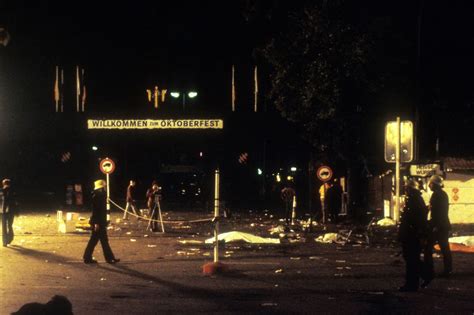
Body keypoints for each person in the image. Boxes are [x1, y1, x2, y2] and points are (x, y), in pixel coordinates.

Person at [398, 179, 428, 292]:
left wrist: (419, 234)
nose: (405, 190)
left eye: (407, 188)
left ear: (411, 189)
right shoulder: (414, 199)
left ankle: (416, 281)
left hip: (412, 235)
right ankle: (420, 277)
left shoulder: (415, 200)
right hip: (411, 234)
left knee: (411, 259)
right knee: (411, 259)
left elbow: (416, 219)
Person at [423, 174, 452, 283]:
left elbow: (438, 213)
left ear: (434, 184)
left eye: (430, 183)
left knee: (429, 247)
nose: (429, 185)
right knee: (445, 249)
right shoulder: (442, 194)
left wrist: (434, 225)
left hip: (438, 226)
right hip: (442, 225)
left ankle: (429, 271)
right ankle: (447, 270)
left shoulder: (437, 195)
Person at [83, 179, 120, 264]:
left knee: (97, 241)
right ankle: (108, 258)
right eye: (104, 186)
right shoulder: (97, 196)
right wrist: (96, 223)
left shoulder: (99, 195)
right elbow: (96, 211)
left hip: (99, 222)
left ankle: (88, 257)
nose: (105, 188)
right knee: (100, 241)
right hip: (98, 222)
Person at [1, 178, 18, 247]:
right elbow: (16, 202)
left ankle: (5, 241)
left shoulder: (2, 191)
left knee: (4, 226)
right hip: (10, 211)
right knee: (9, 225)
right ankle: (9, 238)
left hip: (4, 211)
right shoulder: (13, 191)